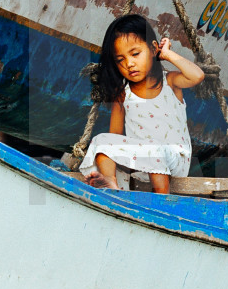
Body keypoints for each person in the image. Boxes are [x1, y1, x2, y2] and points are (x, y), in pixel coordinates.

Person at [79, 11, 204, 193]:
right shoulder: (122, 93)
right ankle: (111, 185)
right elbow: (115, 136)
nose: (129, 64)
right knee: (101, 141)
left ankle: (161, 200)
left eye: (135, 54)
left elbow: (197, 76)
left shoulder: (170, 82)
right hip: (141, 163)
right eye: (120, 60)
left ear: (153, 50)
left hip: (174, 161)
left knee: (154, 149)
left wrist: (167, 54)